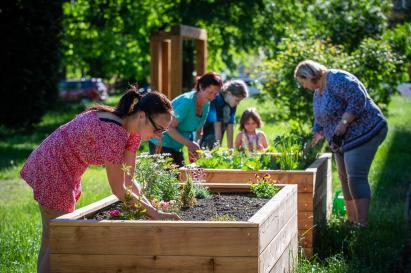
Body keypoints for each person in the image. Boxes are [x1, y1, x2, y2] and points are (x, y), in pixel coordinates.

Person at [20, 86, 180, 273]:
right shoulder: (114, 132)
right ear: (142, 115)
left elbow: (128, 180)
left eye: (164, 131)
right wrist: (154, 214)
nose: (160, 135)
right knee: (60, 241)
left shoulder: (132, 133)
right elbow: (119, 190)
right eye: (158, 128)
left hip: (66, 170)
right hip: (52, 167)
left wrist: (154, 211)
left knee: (52, 238)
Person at [294, 60, 388, 228]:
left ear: (309, 76)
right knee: (343, 178)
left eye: (303, 82)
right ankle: (351, 221)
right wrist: (313, 139)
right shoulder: (317, 93)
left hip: (364, 132)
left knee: (355, 177)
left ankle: (362, 224)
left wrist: (344, 123)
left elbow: (358, 97)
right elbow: (320, 120)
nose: (304, 86)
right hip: (341, 140)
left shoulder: (336, 78)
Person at [149, 72, 223, 166]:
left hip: (176, 146)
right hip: (161, 142)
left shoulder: (206, 103)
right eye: (210, 92)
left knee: (182, 176)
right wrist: (189, 144)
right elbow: (169, 127)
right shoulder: (187, 102)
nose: (212, 97)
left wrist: (194, 145)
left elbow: (199, 130)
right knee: (170, 178)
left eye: (215, 94)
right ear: (201, 86)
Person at [199, 79, 248, 149]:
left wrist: (230, 149)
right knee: (211, 143)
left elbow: (230, 126)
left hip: (218, 130)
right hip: (206, 130)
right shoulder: (216, 99)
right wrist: (218, 148)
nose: (238, 103)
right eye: (237, 100)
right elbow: (217, 126)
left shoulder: (232, 103)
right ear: (229, 94)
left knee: (219, 135)